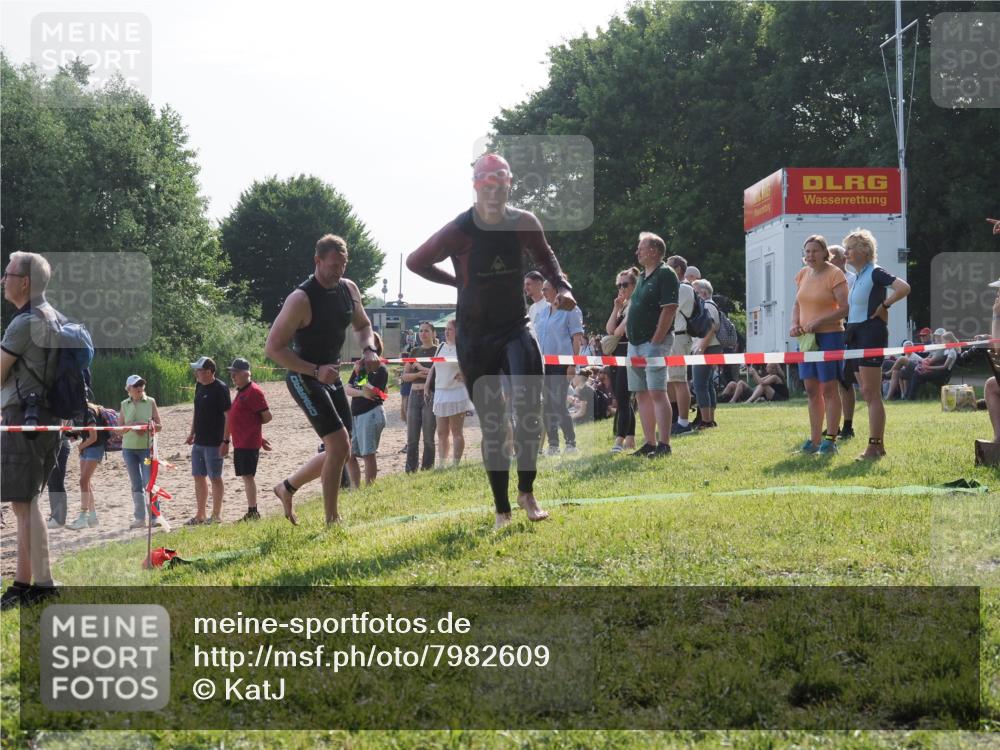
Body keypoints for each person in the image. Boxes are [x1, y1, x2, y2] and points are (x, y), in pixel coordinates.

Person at [406, 152, 576, 528]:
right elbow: (415, 262)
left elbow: (545, 256)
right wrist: (456, 282)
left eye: (501, 187)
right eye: (487, 187)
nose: (494, 194)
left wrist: (561, 285)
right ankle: (502, 509)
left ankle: (527, 492)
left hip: (515, 325)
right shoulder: (460, 229)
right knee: (495, 424)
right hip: (475, 335)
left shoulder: (523, 222)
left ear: (509, 186)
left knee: (531, 410)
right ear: (477, 188)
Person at [266, 233, 379, 525]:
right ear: (317, 261)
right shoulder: (300, 299)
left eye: (343, 265)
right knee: (339, 446)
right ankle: (332, 520)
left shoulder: (348, 289)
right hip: (304, 377)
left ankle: (287, 487)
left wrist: (368, 347)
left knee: (342, 449)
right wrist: (315, 371)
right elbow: (273, 349)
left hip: (331, 376)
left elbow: (364, 324)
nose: (338, 272)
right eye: (333, 266)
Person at [1, 251, 63, 609]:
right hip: (44, 418)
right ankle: (25, 584)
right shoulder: (52, 316)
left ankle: (41, 586)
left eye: (7, 274)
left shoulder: (24, 323)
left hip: (23, 417)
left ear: (24, 282)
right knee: (25, 503)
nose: (2, 280)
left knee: (24, 504)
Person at [842, 228, 911, 460]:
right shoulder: (859, 276)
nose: (846, 252)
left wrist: (886, 305)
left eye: (850, 248)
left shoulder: (875, 272)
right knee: (867, 393)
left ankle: (874, 446)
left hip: (870, 333)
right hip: (854, 334)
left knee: (872, 393)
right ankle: (878, 445)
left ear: (864, 250)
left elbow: (903, 287)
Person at [789, 234, 849, 455]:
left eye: (815, 251)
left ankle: (830, 439)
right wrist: (795, 324)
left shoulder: (835, 274)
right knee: (811, 389)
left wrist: (820, 321)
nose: (810, 255)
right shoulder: (803, 274)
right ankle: (814, 440)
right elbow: (797, 303)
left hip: (830, 336)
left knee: (829, 388)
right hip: (806, 338)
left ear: (825, 253)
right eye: (807, 251)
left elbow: (844, 308)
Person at [626, 232, 679, 457]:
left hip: (653, 343)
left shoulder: (666, 274)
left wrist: (657, 339)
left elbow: (669, 309)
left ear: (655, 251)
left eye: (641, 248)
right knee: (641, 393)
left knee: (657, 391)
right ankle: (649, 443)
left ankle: (664, 444)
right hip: (636, 343)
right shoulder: (644, 277)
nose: (637, 251)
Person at [536, 279, 585, 455]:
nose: (543, 292)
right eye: (542, 289)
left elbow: (577, 338)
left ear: (558, 291)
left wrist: (573, 364)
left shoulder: (570, 310)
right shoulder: (542, 313)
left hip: (562, 365)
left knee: (558, 403)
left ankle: (570, 443)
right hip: (544, 366)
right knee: (548, 405)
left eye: (546, 289)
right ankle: (553, 445)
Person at [183, 356, 231, 525]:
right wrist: (192, 432)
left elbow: (228, 416)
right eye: (196, 370)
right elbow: (197, 410)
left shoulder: (221, 388)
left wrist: (226, 441)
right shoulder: (199, 386)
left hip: (215, 442)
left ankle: (216, 515)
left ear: (209, 372)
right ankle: (200, 515)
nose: (196, 373)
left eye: (200, 370)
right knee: (198, 476)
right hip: (199, 442)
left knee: (215, 477)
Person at [224, 358, 273, 521]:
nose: (233, 376)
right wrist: (259, 436)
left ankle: (253, 511)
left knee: (248, 476)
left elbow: (266, 416)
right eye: (232, 373)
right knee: (246, 476)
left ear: (246, 374)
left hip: (247, 442)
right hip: (242, 441)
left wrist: (255, 434)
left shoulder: (253, 391)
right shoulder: (241, 391)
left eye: (235, 373)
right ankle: (252, 511)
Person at [119, 374, 165, 530]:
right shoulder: (124, 404)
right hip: (129, 450)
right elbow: (119, 431)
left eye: (141, 385)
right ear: (128, 389)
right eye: (135, 385)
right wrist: (132, 426)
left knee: (149, 482)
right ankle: (139, 518)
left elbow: (159, 426)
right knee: (135, 484)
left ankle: (155, 516)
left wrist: (146, 426)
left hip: (146, 449)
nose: (139, 388)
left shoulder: (150, 401)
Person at [346, 333, 389, 485]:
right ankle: (356, 488)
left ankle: (369, 488)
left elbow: (372, 393)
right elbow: (348, 389)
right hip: (356, 414)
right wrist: (361, 393)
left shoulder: (380, 368)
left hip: (371, 413)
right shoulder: (361, 365)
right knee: (349, 454)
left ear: (377, 347)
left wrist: (360, 374)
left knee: (368, 454)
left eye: (373, 343)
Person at [429, 319, 471, 467]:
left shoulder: (462, 348)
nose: (446, 332)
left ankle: (455, 464)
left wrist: (465, 374)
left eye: (450, 329)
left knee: (456, 432)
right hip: (440, 392)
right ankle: (441, 463)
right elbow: (434, 368)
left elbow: (474, 365)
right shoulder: (441, 346)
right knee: (441, 432)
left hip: (456, 392)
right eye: (446, 329)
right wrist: (428, 384)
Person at [606, 267, 637, 453]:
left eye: (625, 284)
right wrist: (616, 307)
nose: (621, 288)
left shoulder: (635, 304)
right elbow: (610, 329)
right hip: (616, 356)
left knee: (624, 398)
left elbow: (619, 332)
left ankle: (619, 439)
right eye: (619, 284)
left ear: (634, 285)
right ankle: (630, 438)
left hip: (628, 354)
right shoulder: (623, 306)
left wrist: (617, 328)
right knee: (622, 398)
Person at [402, 321, 439, 472]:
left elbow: (434, 375)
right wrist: (417, 373)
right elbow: (405, 376)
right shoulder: (414, 351)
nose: (423, 334)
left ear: (433, 333)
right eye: (421, 331)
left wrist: (420, 368)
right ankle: (410, 470)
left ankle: (427, 469)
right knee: (412, 437)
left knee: (428, 437)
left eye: (426, 331)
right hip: (413, 395)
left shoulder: (438, 351)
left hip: (430, 394)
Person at [829, 244, 858, 438]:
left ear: (842, 260)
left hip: (847, 331)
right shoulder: (825, 278)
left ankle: (848, 426)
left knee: (845, 381)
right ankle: (833, 425)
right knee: (831, 382)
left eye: (831, 258)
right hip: (829, 331)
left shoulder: (852, 280)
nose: (828, 262)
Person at [65, 401, 107, 530]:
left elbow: (93, 437)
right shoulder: (77, 412)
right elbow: (79, 433)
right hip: (86, 448)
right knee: (86, 483)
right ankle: (92, 517)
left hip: (94, 448)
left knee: (83, 481)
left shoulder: (88, 411)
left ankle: (83, 517)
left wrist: (81, 446)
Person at [665, 255, 695, 435]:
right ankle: (675, 418)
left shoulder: (683, 288)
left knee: (679, 379)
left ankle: (684, 422)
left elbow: (670, 310)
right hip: (673, 336)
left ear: (677, 269)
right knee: (671, 380)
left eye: (668, 267)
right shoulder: (677, 287)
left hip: (679, 336)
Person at [691, 279, 723, 429]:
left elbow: (711, 328)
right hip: (711, 348)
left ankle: (706, 421)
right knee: (708, 384)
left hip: (707, 348)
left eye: (695, 292)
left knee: (700, 385)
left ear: (703, 292)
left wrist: (700, 348)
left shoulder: (707, 306)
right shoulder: (712, 305)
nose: (694, 296)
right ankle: (709, 419)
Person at [905, 331, 958, 400]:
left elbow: (944, 367)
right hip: (938, 372)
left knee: (917, 374)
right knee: (916, 372)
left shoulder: (952, 352)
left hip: (942, 374)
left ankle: (910, 397)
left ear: (948, 341)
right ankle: (909, 396)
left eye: (943, 340)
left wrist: (929, 367)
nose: (942, 342)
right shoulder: (947, 350)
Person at [45, 437, 70, 529]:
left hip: (59, 445)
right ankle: (55, 516)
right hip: (51, 446)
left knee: (56, 482)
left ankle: (59, 519)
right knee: (51, 483)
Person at [523, 270, 547, 337]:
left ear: (539, 284)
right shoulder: (531, 309)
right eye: (524, 285)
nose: (525, 288)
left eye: (528, 284)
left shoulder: (551, 304)